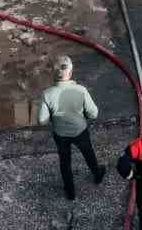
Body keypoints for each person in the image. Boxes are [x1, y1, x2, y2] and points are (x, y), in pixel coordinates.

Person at [38, 55, 106, 202]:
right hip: (80, 131)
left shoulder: (47, 94)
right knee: (88, 153)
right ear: (70, 73)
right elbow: (94, 113)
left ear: (54, 73)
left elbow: (42, 120)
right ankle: (98, 174)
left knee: (65, 161)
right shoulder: (81, 90)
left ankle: (70, 192)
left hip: (60, 134)